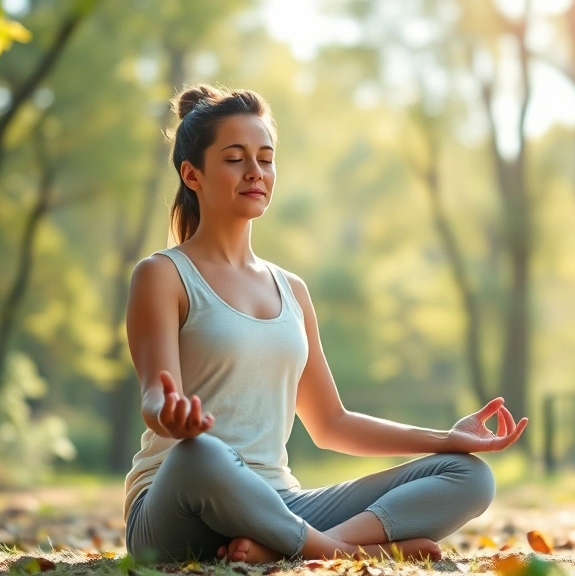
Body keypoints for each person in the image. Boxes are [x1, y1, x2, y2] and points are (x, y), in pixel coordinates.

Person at [123, 84, 528, 565]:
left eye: (266, 158)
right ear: (192, 174)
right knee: (200, 454)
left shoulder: (291, 290)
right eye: (235, 158)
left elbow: (331, 424)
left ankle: (282, 545)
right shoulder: (162, 275)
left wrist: (447, 439)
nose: (256, 171)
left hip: (277, 502)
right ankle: (338, 550)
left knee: (470, 476)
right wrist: (169, 413)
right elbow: (154, 395)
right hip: (177, 507)